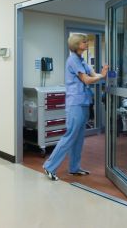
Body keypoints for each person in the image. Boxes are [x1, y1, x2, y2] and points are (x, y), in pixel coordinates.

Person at [43, 33, 108, 181]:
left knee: (78, 138)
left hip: (84, 102)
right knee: (70, 135)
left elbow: (93, 74)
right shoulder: (72, 60)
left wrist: (102, 74)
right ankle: (49, 166)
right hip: (75, 103)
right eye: (84, 42)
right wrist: (100, 77)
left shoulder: (81, 60)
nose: (86, 44)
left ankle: (74, 167)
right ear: (77, 45)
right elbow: (86, 80)